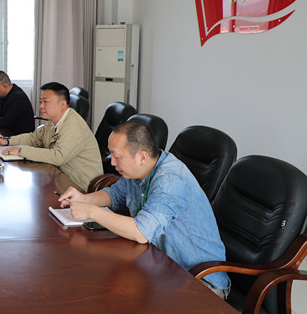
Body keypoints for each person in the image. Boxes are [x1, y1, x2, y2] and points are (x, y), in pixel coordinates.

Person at [58, 120, 230, 298]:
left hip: (200, 283)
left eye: (117, 157)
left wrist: (91, 212)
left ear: (142, 157)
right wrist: (84, 199)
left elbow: (142, 232)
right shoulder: (140, 169)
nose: (112, 162)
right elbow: (116, 194)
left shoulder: (170, 180)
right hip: (161, 266)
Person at [0, 82, 102, 189]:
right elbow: (34, 138)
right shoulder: (53, 121)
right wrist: (8, 141)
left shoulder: (74, 126)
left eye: (46, 102)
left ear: (62, 104)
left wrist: (20, 151)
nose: (41, 106)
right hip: (60, 178)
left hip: (81, 187)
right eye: (40, 102)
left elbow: (58, 156)